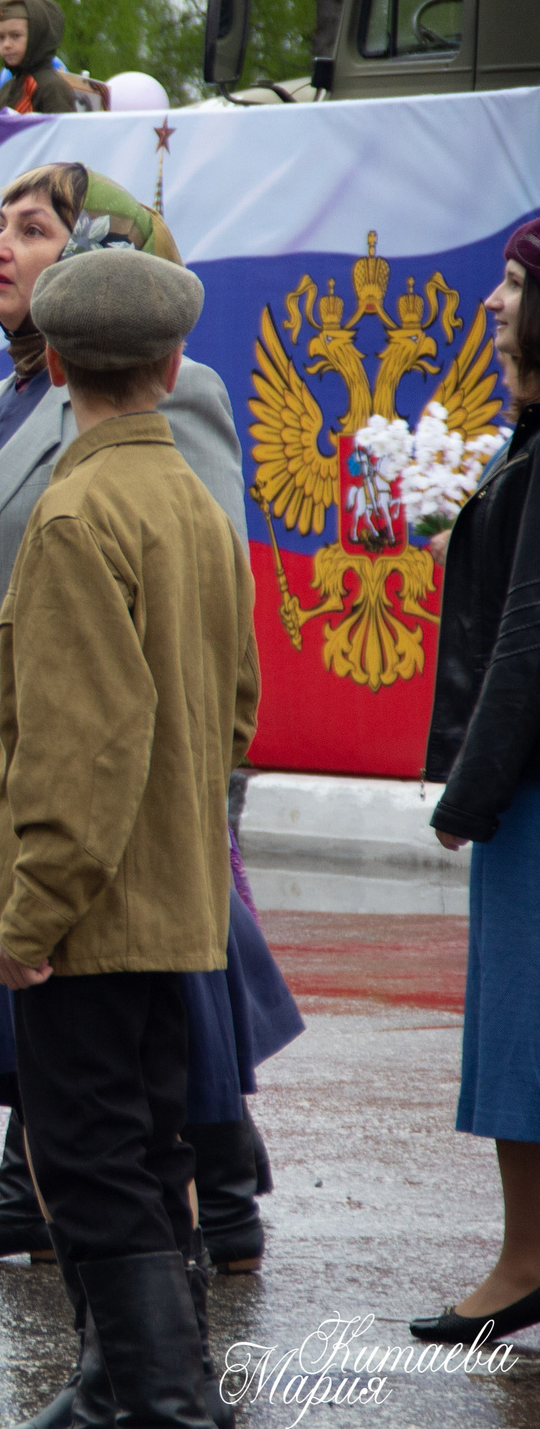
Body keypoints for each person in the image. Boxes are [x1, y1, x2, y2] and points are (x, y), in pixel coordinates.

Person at [0, 162, 299, 1287]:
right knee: (39, 1047)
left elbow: (196, 610)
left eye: (33, 227)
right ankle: (37, 1195)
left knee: (125, 1058)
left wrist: (207, 803)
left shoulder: (154, 397)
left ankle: (191, 1238)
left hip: (102, 788)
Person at [0, 247, 256, 1422]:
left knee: (89, 1170)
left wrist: (29, 913)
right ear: (173, 361)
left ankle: (163, 1405)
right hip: (170, 898)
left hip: (88, 909)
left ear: (47, 366)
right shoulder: (187, 494)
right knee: (149, 1152)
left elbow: (81, 745)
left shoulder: (76, 510)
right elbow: (235, 705)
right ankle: (144, 1390)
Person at [413, 217, 540, 1345]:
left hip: (535, 791)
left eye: (510, 285)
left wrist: (469, 788)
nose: (491, 305)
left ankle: (524, 1262)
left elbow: (529, 640)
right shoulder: (528, 436)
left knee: (521, 1029)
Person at [0, 0, 79, 116]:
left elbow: (63, 133)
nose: (6, 45)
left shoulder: (53, 88)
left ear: (36, 36)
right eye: (1, 37)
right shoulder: (7, 90)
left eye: (15, 36)